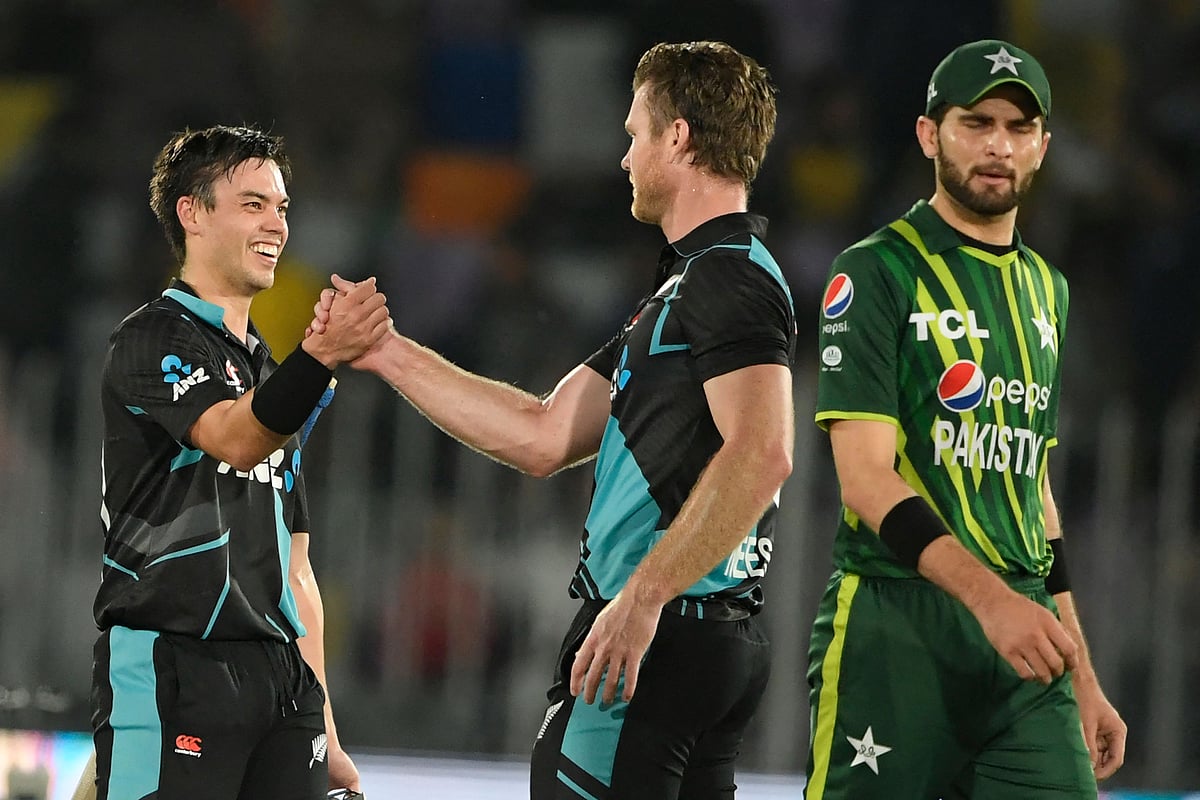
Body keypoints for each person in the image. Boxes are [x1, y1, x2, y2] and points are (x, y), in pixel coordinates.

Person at [312, 40, 794, 800]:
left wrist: (643, 597)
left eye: (636, 132)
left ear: (678, 137)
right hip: (697, 639)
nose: (625, 155)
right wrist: (387, 352)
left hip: (656, 640)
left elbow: (763, 451)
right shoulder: (687, 289)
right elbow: (543, 433)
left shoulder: (727, 277)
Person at [804, 40, 1127, 797]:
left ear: (1043, 147)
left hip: (1025, 638)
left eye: (1018, 129)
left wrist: (1079, 667)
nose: (997, 146)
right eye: (976, 123)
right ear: (928, 134)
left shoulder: (1050, 289)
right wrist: (990, 603)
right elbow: (864, 480)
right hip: (897, 623)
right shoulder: (877, 269)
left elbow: (1032, 492)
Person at [91, 124, 389, 800]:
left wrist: (329, 728)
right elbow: (235, 437)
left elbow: (298, 564)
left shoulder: (269, 371)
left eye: (282, 207)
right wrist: (320, 358)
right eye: (253, 204)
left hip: (284, 689)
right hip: (174, 665)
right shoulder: (149, 337)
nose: (278, 224)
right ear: (191, 213)